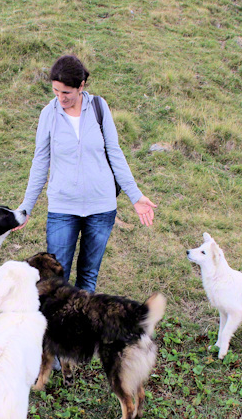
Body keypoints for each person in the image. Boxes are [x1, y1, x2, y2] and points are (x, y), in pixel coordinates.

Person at [17, 54, 157, 292]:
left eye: (67, 93)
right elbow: (40, 163)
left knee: (88, 277)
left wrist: (135, 196)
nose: (61, 98)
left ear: (81, 86)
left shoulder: (99, 108)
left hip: (101, 208)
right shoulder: (48, 115)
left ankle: (80, 328)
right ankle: (57, 328)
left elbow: (115, 153)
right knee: (56, 278)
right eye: (55, 91)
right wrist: (26, 207)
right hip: (63, 209)